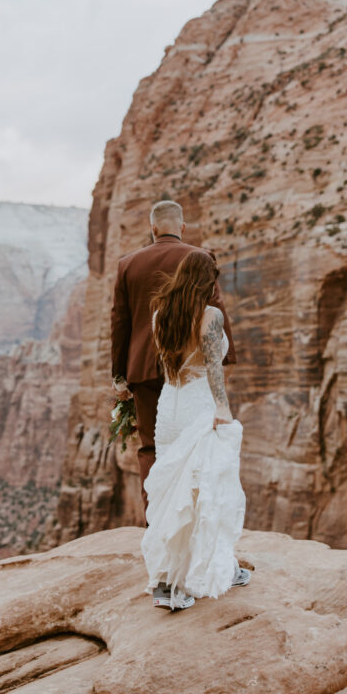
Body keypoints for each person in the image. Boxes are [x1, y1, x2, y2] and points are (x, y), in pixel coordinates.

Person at [110, 200, 236, 514]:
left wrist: (119, 375)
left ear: (152, 228)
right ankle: (192, 519)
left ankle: (157, 522)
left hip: (142, 368)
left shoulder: (128, 264)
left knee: (152, 447)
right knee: (195, 444)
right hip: (190, 366)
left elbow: (120, 321)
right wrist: (224, 355)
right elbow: (216, 308)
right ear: (182, 227)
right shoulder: (199, 258)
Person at [141, 250, 250, 610]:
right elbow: (214, 366)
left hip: (170, 405)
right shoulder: (211, 316)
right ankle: (199, 571)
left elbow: (168, 364)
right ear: (207, 280)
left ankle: (167, 579)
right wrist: (222, 406)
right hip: (200, 404)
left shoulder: (161, 313)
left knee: (172, 490)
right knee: (204, 488)